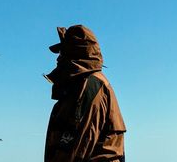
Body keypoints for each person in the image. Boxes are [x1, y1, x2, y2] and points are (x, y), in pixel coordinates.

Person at [44, 25, 126, 162]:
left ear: (75, 53)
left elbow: (77, 144)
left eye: (63, 52)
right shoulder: (82, 85)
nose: (58, 59)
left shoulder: (90, 86)